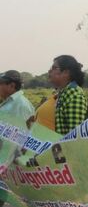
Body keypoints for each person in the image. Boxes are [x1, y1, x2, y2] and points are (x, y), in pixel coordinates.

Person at [0, 70, 35, 207]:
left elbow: (20, 136)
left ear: (12, 85)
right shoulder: (9, 103)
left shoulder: (21, 105)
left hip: (7, 160)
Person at [48, 55, 88, 135]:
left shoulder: (75, 95)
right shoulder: (62, 92)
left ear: (66, 72)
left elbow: (75, 135)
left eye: (54, 68)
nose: (49, 71)